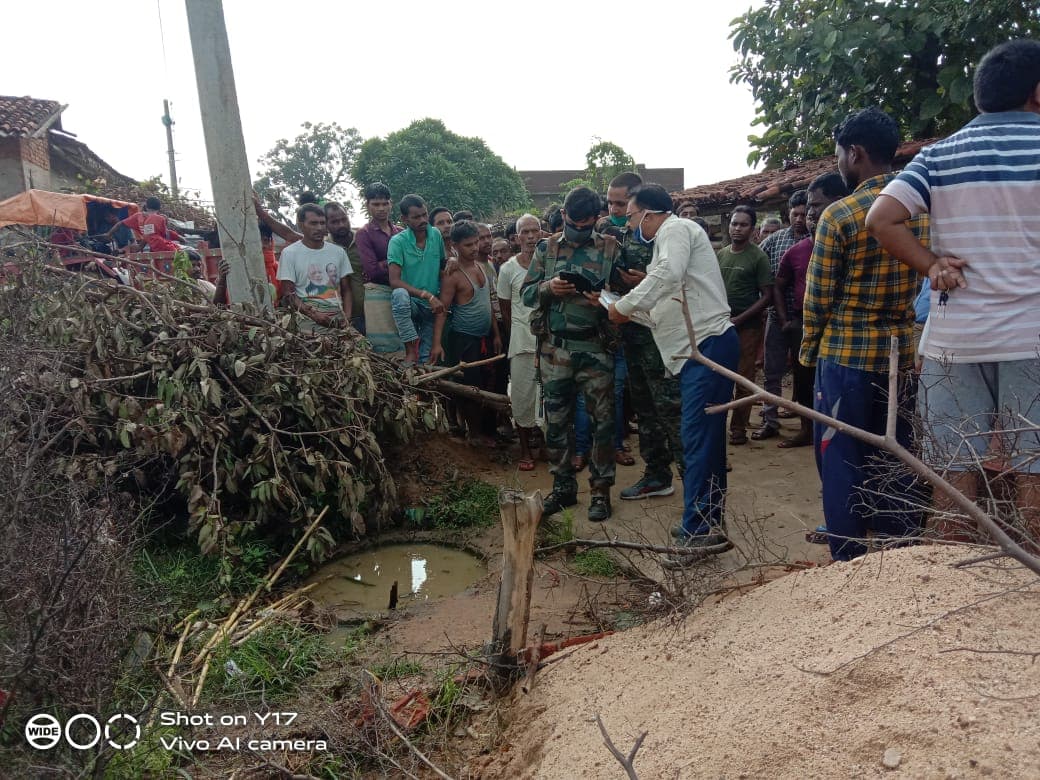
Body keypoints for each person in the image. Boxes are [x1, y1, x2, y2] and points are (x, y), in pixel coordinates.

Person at [866, 39, 1040, 540]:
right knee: (1035, 471)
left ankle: (947, 585)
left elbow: (883, 219)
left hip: (953, 340)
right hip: (1032, 337)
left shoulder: (939, 154)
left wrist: (931, 265)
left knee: (953, 471)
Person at [800, 106, 928, 562]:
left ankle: (850, 562)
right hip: (903, 356)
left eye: (838, 154)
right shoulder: (922, 210)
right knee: (897, 457)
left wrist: (809, 351)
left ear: (855, 154)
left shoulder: (840, 215)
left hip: (845, 359)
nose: (837, 163)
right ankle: (900, 554)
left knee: (841, 462)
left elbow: (817, 301)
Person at [604, 184, 738, 560]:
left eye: (630, 217)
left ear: (649, 213)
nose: (630, 226)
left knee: (697, 440)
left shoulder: (674, 230)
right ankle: (707, 522)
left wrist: (626, 304)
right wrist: (617, 309)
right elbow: (664, 304)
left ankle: (699, 532)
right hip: (698, 348)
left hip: (706, 346)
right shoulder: (670, 241)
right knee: (703, 441)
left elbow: (665, 274)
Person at [521, 186, 618, 522]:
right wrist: (549, 288)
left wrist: (604, 298)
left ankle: (601, 492)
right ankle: (563, 488)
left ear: (596, 218)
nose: (578, 229)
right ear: (563, 216)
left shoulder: (610, 248)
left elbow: (630, 293)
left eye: (585, 223)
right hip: (555, 350)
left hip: (596, 349)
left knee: (602, 424)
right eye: (572, 222)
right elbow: (526, 295)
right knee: (556, 424)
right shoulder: (545, 249)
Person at [605, 172, 685, 498]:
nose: (616, 209)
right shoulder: (612, 236)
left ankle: (694, 481)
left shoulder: (663, 237)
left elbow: (674, 282)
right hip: (632, 338)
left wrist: (643, 282)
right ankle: (657, 474)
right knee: (645, 410)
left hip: (662, 339)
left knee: (672, 411)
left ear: (642, 206)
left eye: (622, 204)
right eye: (610, 202)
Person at [773, 173, 849, 450]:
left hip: (838, 324)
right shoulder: (795, 251)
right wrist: (786, 321)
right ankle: (807, 430)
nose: (811, 216)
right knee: (804, 378)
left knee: (832, 381)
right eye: (808, 213)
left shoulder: (844, 242)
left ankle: (834, 433)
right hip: (802, 323)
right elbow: (778, 286)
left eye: (815, 209)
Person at [430, 220, 503, 443]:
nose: (474, 248)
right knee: (470, 387)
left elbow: (487, 304)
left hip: (486, 337)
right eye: (468, 245)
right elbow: (442, 310)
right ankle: (474, 434)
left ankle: (488, 431)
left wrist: (497, 334)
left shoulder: (482, 265)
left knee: (489, 382)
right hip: (464, 340)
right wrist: (437, 343)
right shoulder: (452, 274)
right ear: (455, 245)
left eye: (476, 243)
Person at [753, 191, 810, 440]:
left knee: (805, 372)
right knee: (772, 370)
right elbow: (758, 266)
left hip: (807, 320)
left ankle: (809, 423)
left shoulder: (817, 240)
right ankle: (770, 419)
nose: (799, 218)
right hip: (777, 317)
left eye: (804, 213)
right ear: (787, 213)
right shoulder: (774, 241)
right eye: (795, 213)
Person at [717, 205, 773, 445]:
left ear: (753, 229)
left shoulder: (758, 256)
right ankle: (717, 426)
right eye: (734, 224)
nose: (737, 229)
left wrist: (740, 319)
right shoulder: (721, 254)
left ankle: (738, 428)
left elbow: (767, 295)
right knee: (719, 376)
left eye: (743, 225)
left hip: (746, 326)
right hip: (719, 325)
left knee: (743, 378)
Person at [497, 214, 542, 470]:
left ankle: (545, 445)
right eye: (525, 232)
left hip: (549, 342)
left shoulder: (549, 263)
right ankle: (526, 450)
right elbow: (505, 310)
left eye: (535, 231)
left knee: (548, 396)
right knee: (523, 396)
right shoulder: (508, 269)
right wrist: (519, 333)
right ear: (516, 237)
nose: (531, 236)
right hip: (522, 343)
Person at [388, 194, 447, 364]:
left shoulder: (435, 235)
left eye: (425, 214)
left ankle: (422, 389)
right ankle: (410, 351)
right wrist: (427, 296)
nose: (423, 220)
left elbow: (442, 265)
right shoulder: (397, 242)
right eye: (416, 217)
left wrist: (451, 261)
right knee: (399, 294)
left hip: (432, 307)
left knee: (427, 360)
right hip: (411, 304)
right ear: (404, 219)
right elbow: (394, 281)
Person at [276, 204, 354, 332]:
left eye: (322, 223)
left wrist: (347, 319)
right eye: (313, 223)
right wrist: (313, 314)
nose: (319, 228)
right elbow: (288, 294)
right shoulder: (289, 253)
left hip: (338, 317)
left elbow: (347, 290)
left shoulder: (338, 252)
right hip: (307, 319)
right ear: (301, 225)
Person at [324, 202, 366, 333]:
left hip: (371, 311)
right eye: (335, 222)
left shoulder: (364, 239)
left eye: (344, 219)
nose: (341, 224)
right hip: (342, 318)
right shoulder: (324, 249)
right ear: (326, 224)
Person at [106, 196, 180, 253]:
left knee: (137, 246)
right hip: (158, 245)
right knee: (186, 250)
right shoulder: (160, 218)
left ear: (146, 206)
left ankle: (121, 251)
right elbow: (165, 235)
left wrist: (108, 234)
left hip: (150, 243)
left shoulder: (138, 216)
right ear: (159, 208)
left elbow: (120, 224)